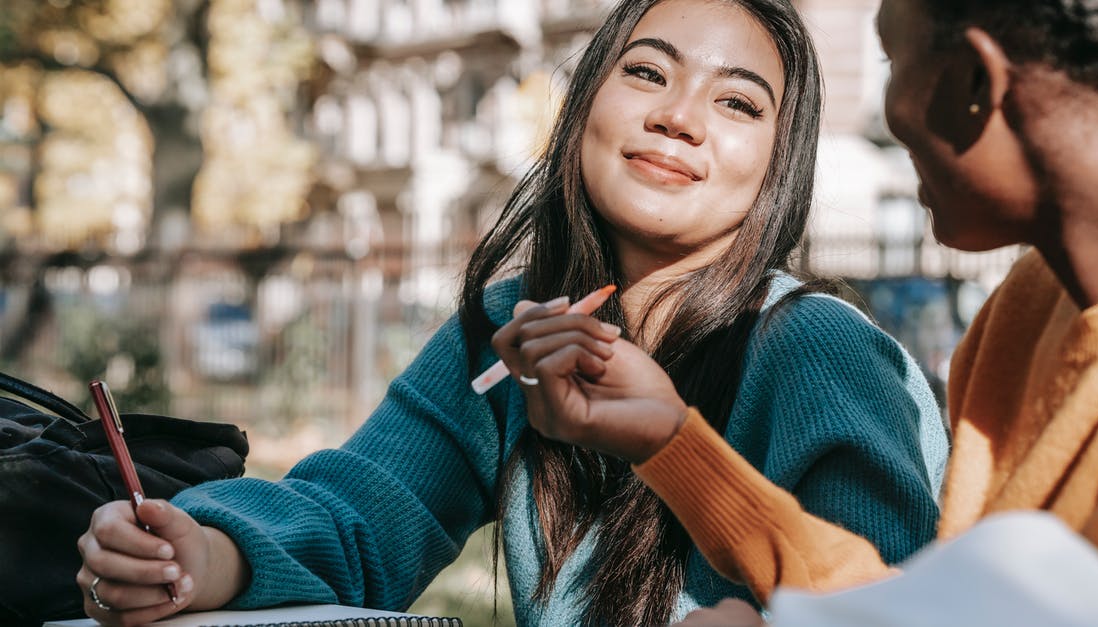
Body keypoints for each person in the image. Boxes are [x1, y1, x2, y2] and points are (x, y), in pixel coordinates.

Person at [74, 0, 949, 624]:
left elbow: (888, 594)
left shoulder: (817, 346)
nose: (679, 117)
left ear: (778, 167)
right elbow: (362, 515)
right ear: (582, 111)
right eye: (646, 72)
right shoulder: (510, 330)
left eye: (737, 102)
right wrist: (200, 557)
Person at [496, 0, 1098, 620]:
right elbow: (939, 607)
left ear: (973, 86)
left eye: (892, 58)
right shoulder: (1029, 307)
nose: (886, 110)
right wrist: (673, 442)